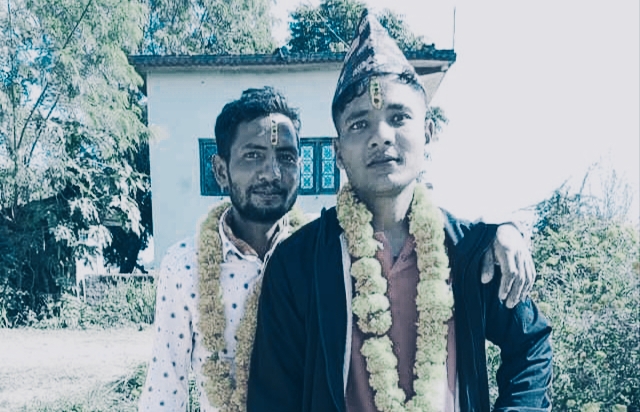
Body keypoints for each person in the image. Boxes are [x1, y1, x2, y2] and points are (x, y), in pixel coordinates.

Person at [140, 84, 535, 411]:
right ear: (220, 170)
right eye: (253, 156)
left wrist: (507, 230)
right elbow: (165, 389)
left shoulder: (324, 250)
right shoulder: (186, 265)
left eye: (286, 157)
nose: (271, 173)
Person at [247, 11, 552, 412]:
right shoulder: (297, 264)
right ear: (338, 153)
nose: (381, 137)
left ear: (426, 133)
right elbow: (272, 399)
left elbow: (530, 343)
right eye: (359, 124)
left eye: (398, 118)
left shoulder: (470, 253)